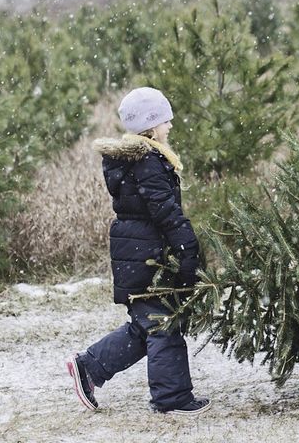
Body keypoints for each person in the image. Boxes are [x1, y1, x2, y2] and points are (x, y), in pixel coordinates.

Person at [66, 87, 210, 417]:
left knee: (146, 324)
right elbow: (166, 212)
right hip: (148, 253)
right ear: (151, 125)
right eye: (165, 119)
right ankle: (172, 398)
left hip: (137, 250)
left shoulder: (138, 161)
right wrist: (188, 248)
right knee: (162, 323)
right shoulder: (148, 163)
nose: (170, 124)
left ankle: (90, 366)